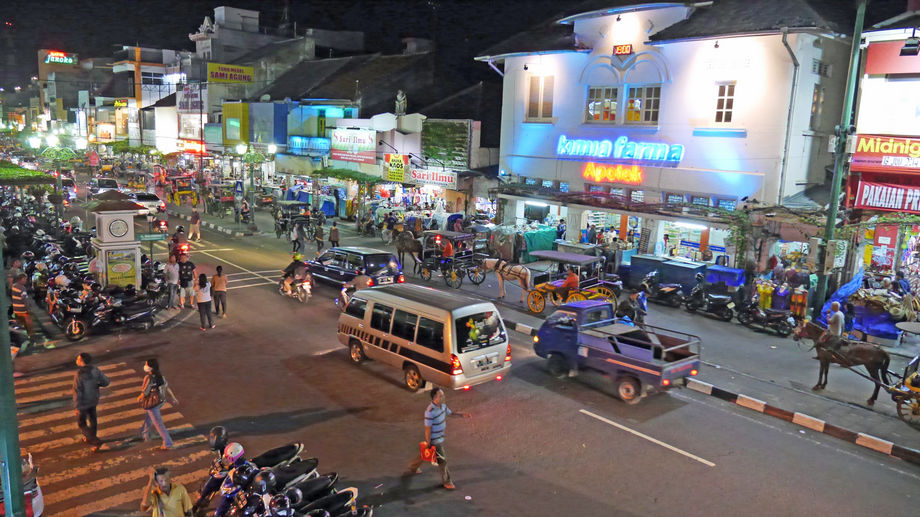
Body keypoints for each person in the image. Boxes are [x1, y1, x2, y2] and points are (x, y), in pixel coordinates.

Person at [407, 387, 469, 490]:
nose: (443, 397)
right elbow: (428, 428)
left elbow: (451, 413)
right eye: (441, 396)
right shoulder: (430, 412)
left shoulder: (443, 406)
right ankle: (447, 481)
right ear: (435, 398)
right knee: (443, 461)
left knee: (427, 453)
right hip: (435, 439)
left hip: (440, 437)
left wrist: (462, 415)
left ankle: (413, 466)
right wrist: (429, 442)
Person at [137, 358, 178, 450]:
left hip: (152, 402)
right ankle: (144, 433)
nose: (145, 366)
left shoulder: (148, 378)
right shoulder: (160, 377)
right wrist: (173, 398)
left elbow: (145, 392)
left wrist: (139, 398)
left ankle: (168, 443)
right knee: (149, 417)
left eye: (147, 364)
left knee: (158, 423)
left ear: (151, 368)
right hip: (160, 401)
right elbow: (166, 387)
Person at [72, 352, 110, 452]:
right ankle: (91, 438)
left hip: (83, 402)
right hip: (93, 399)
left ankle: (95, 440)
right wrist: (97, 384)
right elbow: (106, 382)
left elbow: (77, 391)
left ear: (82, 361)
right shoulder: (95, 370)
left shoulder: (79, 374)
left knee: (81, 423)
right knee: (93, 420)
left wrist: (77, 407)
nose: (76, 360)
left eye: (78, 359)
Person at [11, 274, 39, 343]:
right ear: (21, 279)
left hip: (16, 309)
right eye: (25, 279)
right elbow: (25, 300)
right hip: (22, 310)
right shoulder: (22, 288)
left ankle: (20, 338)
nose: (26, 281)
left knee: (19, 323)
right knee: (29, 324)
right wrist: (28, 309)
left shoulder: (13, 286)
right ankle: (32, 338)